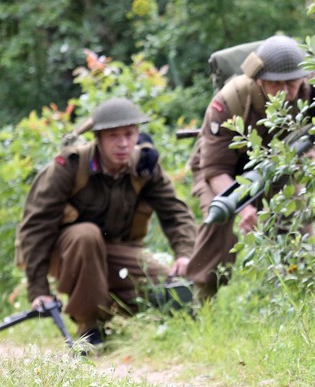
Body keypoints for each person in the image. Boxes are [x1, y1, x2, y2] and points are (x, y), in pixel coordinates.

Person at [17, 98, 197, 349]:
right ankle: (88, 328)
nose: (123, 143)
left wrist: (185, 255)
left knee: (166, 289)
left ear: (137, 135)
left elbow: (176, 213)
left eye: (129, 134)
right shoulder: (70, 166)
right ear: (98, 138)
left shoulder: (144, 167)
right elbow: (36, 227)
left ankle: (113, 321)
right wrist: (39, 290)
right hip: (66, 254)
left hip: (115, 252)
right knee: (86, 235)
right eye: (113, 136)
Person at [185, 34, 315, 302]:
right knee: (219, 217)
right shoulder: (229, 101)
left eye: (291, 83)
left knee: (295, 220)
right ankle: (200, 300)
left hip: (277, 166)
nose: (284, 92)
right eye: (275, 84)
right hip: (222, 170)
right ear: (259, 79)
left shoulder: (313, 91)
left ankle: (305, 297)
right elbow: (214, 170)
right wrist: (243, 207)